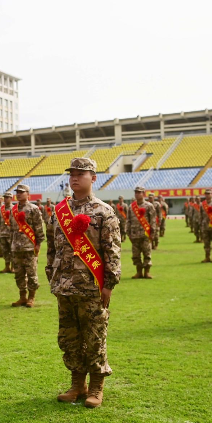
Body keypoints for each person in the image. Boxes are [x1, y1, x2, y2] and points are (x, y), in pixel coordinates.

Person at [46, 158, 121, 408]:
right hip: (65, 287)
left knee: (95, 337)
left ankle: (97, 387)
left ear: (93, 178)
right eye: (72, 174)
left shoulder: (104, 212)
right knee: (69, 337)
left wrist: (109, 283)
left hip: (92, 287)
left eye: (81, 173)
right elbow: (51, 248)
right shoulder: (59, 212)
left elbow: (112, 251)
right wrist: (52, 276)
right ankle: (77, 385)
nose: (75, 178)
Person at [9, 184, 45, 307]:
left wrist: (38, 244)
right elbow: (12, 229)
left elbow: (39, 228)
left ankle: (31, 297)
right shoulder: (13, 210)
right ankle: (22, 297)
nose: (18, 194)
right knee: (18, 274)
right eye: (17, 192)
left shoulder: (33, 209)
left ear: (28, 194)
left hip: (29, 247)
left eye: (21, 192)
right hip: (16, 247)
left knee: (31, 273)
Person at [126, 186, 157, 279]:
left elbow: (153, 220)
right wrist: (128, 232)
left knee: (147, 253)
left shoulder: (149, 206)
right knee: (136, 255)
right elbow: (128, 221)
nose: (137, 194)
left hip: (145, 234)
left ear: (143, 193)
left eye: (139, 192)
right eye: (136, 192)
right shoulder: (131, 207)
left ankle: (146, 272)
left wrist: (153, 233)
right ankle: (138, 272)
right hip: (134, 234)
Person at [199, 189, 212, 263]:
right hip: (205, 226)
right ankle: (207, 257)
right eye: (206, 194)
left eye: (209, 194)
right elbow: (201, 216)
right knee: (206, 243)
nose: (207, 195)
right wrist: (201, 225)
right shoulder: (202, 204)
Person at [0, 192, 13, 272]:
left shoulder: (14, 209)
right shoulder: (1, 209)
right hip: (3, 233)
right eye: (5, 197)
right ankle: (7, 267)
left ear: (11, 198)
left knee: (13, 251)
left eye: (8, 197)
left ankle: (13, 267)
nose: (6, 199)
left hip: (11, 234)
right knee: (5, 251)